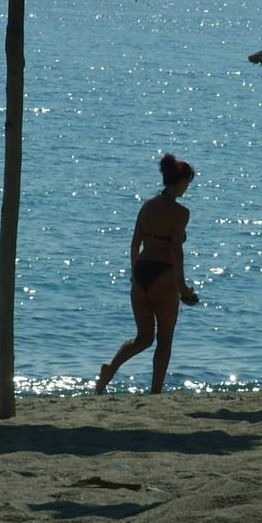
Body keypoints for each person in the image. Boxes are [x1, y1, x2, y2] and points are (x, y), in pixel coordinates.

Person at [95, 153, 198, 394]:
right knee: (164, 340)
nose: (187, 188)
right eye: (187, 183)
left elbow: (134, 244)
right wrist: (182, 287)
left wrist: (134, 274)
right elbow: (175, 251)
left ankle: (110, 368)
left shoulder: (147, 205)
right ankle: (155, 392)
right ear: (180, 181)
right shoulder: (181, 212)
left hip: (141, 274)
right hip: (163, 275)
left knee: (143, 337)